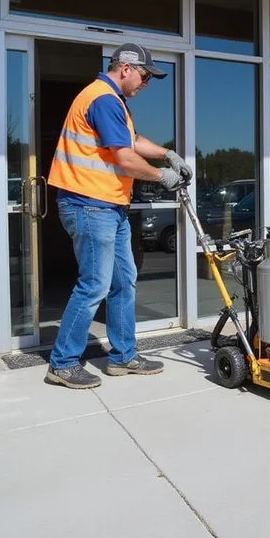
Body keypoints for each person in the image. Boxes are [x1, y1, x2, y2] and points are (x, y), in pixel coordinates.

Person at [44, 42, 191, 390]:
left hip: (110, 207)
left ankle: (123, 356)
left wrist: (167, 154)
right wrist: (161, 175)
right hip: (89, 205)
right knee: (94, 284)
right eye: (144, 76)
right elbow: (124, 158)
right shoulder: (103, 99)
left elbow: (132, 140)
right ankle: (63, 363)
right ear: (125, 68)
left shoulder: (113, 101)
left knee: (124, 280)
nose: (146, 83)